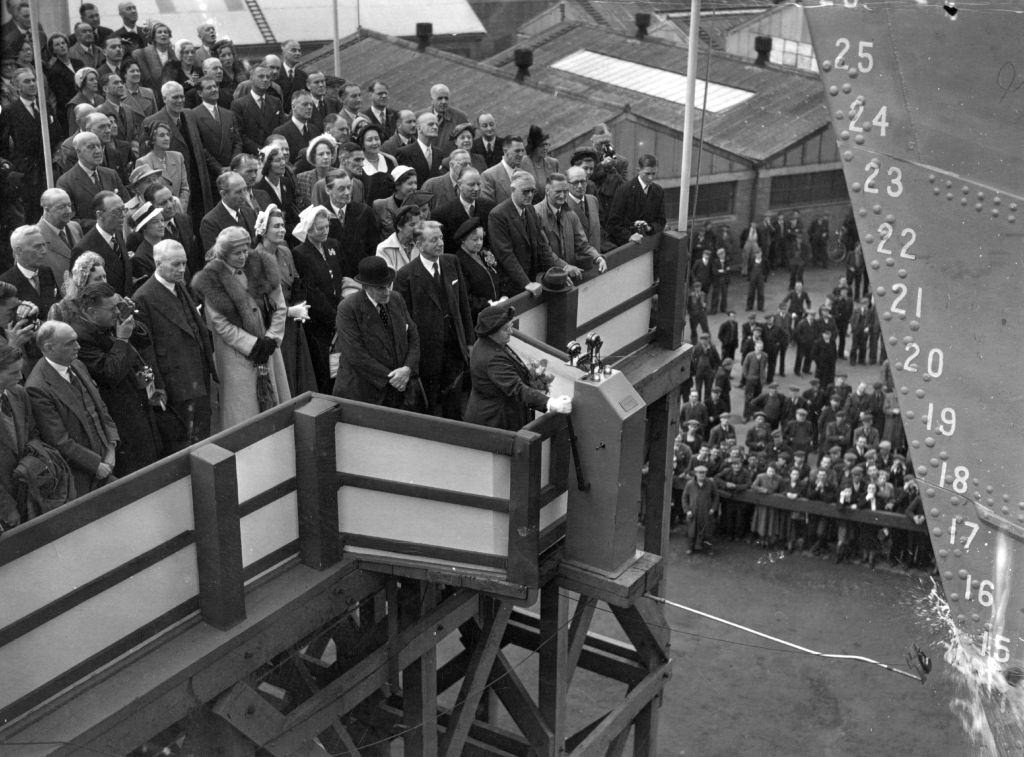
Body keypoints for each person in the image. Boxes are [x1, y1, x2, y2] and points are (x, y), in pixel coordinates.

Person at [191, 226, 291, 429]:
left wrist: (271, 339)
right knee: (244, 414)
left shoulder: (262, 265)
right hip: (236, 356)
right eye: (237, 253)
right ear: (223, 254)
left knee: (275, 407)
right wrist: (253, 346)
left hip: (269, 349)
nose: (243, 256)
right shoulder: (212, 279)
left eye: (246, 250)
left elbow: (280, 307)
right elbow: (221, 324)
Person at [67, 282, 162, 477]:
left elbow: (144, 341)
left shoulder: (106, 322)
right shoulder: (80, 337)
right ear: (92, 312)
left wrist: (128, 317)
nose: (116, 313)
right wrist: (122, 340)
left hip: (138, 403)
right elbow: (110, 374)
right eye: (112, 309)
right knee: (137, 472)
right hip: (120, 417)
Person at [133, 240, 217, 454]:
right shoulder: (143, 298)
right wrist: (157, 388)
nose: (181, 269)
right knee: (183, 444)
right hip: (174, 384)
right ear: (158, 263)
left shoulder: (178, 286)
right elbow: (145, 351)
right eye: (175, 264)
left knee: (202, 437)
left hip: (197, 376)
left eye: (184, 264)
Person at [27, 320, 118, 495]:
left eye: (76, 340)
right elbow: (58, 440)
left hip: (107, 458)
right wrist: (96, 465)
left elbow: (100, 408)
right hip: (81, 476)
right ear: (49, 348)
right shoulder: (37, 387)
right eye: (70, 343)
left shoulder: (77, 364)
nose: (78, 346)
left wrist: (111, 445)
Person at [394, 220, 474, 419]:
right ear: (419, 245)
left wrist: (470, 342)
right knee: (430, 405)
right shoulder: (406, 276)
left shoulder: (451, 262)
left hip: (455, 347)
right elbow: (404, 321)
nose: (440, 243)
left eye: (441, 238)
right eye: (434, 240)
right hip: (427, 352)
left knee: (455, 401)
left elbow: (463, 304)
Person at [463, 301, 571, 431]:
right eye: (505, 329)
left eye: (510, 326)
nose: (511, 332)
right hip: (495, 422)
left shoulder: (489, 343)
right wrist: (550, 403)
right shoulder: (492, 358)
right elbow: (517, 389)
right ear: (492, 332)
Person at [332, 256, 419, 408]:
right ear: (366, 287)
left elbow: (413, 336)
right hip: (363, 393)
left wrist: (407, 368)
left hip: (397, 391)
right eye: (380, 288)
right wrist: (393, 378)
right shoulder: (348, 308)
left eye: (389, 285)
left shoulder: (396, 299)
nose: (387, 292)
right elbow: (356, 354)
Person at [252, 206, 315, 396]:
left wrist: (300, 306)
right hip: (275, 324)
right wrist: (289, 311)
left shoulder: (285, 251)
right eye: (276, 226)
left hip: (294, 321)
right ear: (263, 231)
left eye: (283, 225)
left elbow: (295, 281)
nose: (281, 230)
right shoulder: (257, 259)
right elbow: (261, 303)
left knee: (300, 372)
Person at [489, 171, 578, 297]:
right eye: (525, 191)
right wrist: (526, 283)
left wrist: (558, 273)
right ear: (513, 189)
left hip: (534, 279)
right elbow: (506, 255)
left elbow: (543, 247)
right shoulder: (498, 215)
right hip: (513, 285)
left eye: (533, 191)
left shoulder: (530, 210)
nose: (530, 195)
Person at [290, 204, 343, 393]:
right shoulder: (300, 253)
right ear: (308, 229)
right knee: (324, 368)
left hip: (338, 314)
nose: (324, 232)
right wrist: (333, 317)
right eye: (319, 228)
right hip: (320, 321)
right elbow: (311, 290)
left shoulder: (333, 245)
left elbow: (338, 277)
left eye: (327, 226)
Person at [0, 67, 59, 223]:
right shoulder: (10, 111)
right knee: (33, 214)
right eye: (27, 81)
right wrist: (14, 169)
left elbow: (57, 133)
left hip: (48, 167)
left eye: (34, 80)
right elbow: (4, 145)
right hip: (27, 172)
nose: (32, 84)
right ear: (17, 87)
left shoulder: (45, 105)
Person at [0, 344, 44, 528]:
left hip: (31, 488)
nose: (20, 377)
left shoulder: (19, 393)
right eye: (13, 373)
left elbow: (33, 433)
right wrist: (7, 509)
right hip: (7, 501)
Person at [533, 173, 607, 274]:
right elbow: (545, 252)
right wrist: (565, 267)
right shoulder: (535, 214)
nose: (563, 195)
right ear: (547, 191)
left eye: (565, 191)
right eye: (558, 192)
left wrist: (598, 258)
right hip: (548, 276)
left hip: (569, 274)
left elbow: (582, 244)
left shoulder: (570, 214)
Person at [71, 191, 132, 295]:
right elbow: (80, 290)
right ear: (100, 215)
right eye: (116, 212)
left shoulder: (117, 233)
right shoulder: (84, 248)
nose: (123, 215)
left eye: (124, 210)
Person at [1, 225, 60, 319]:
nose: (44, 251)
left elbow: (57, 304)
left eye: (44, 245)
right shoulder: (6, 283)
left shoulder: (46, 271)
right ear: (19, 251)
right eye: (37, 247)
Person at [606, 154, 666, 247]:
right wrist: (629, 236)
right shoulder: (624, 190)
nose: (651, 178)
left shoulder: (659, 191)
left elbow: (661, 220)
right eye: (647, 174)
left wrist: (649, 228)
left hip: (648, 245)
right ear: (638, 170)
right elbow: (613, 223)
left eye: (653, 174)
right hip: (626, 246)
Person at [432, 168, 494, 256]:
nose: (476, 189)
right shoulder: (442, 213)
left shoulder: (489, 207)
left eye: (479, 184)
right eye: (471, 185)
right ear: (460, 185)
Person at [135, 120, 190, 209]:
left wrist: (180, 208)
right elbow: (146, 194)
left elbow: (184, 188)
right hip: (158, 211)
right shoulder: (143, 162)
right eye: (162, 135)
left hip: (178, 210)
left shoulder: (178, 157)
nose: (167, 138)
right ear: (152, 139)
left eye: (168, 135)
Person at [452, 218, 499, 323]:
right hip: (477, 317)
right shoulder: (458, 261)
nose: (479, 243)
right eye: (474, 239)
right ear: (463, 240)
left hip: (495, 310)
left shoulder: (482, 254)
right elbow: (465, 296)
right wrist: (487, 305)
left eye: (481, 239)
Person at [230, 64, 283, 155]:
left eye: (268, 77)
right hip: (251, 154)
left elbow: (281, 128)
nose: (265, 79)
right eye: (261, 76)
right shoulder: (239, 104)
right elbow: (239, 134)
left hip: (274, 153)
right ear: (251, 78)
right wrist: (261, 151)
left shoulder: (276, 102)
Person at [199, 171, 257, 252]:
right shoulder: (210, 222)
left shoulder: (250, 212)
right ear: (223, 194)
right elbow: (214, 256)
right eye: (238, 192)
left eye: (245, 189)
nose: (244, 195)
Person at [48, 251, 106, 322]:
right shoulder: (60, 310)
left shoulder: (110, 302)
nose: (104, 282)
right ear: (83, 283)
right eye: (98, 279)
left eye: (104, 277)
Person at [254, 144, 299, 231]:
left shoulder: (286, 182)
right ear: (267, 164)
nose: (283, 163)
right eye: (278, 160)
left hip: (291, 229)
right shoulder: (260, 188)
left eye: (283, 159)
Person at [395, 111, 443, 186]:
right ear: (419, 128)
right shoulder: (405, 153)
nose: (435, 127)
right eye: (431, 124)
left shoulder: (439, 153)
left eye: (437, 124)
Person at [681, 465, 719, 555]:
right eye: (700, 473)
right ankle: (690, 547)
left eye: (704, 473)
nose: (702, 475)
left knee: (707, 531)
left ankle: (708, 548)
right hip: (693, 512)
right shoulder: (690, 484)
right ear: (695, 474)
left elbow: (716, 497)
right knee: (692, 530)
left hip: (706, 512)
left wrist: (713, 508)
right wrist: (687, 510)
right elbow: (684, 498)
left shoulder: (710, 483)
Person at [356, 123, 397, 204]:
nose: (374, 143)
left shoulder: (390, 160)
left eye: (376, 139)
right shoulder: (358, 164)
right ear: (362, 143)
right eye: (369, 140)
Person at [131, 20, 174, 96]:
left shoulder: (174, 55)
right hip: (150, 95)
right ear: (153, 36)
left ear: (169, 36)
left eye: (165, 32)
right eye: (159, 32)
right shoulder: (141, 54)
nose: (163, 34)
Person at [480, 135, 525, 205]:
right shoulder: (489, 176)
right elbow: (487, 207)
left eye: (522, 150)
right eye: (517, 151)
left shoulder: (523, 174)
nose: (521, 154)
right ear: (505, 151)